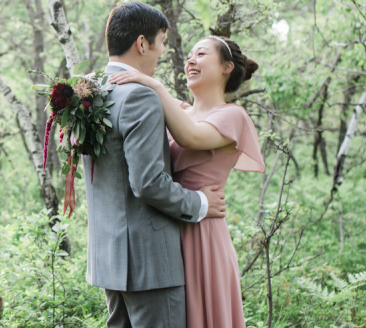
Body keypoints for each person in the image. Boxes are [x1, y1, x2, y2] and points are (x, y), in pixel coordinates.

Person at [84, 1, 226, 328]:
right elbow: (147, 182)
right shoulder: (138, 95)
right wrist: (201, 203)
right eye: (161, 41)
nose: (162, 51)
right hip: (150, 263)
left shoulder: (90, 91)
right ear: (142, 43)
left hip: (109, 258)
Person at [109, 35, 265, 328]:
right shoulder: (178, 110)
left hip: (203, 235)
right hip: (162, 231)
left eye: (201, 54)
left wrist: (153, 84)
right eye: (190, 55)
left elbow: (191, 137)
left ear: (227, 67)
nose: (190, 61)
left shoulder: (233, 115)